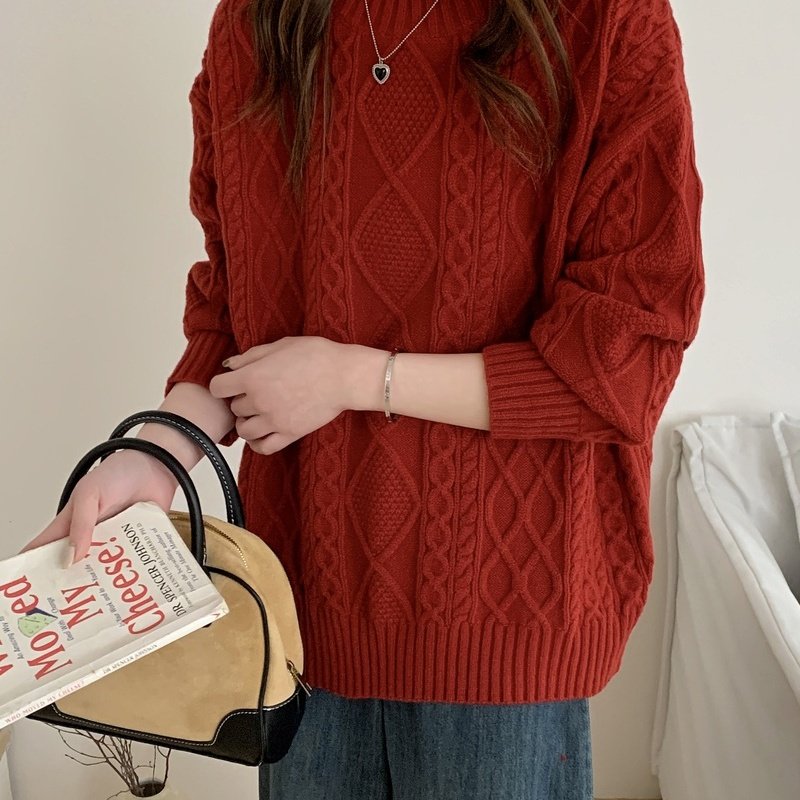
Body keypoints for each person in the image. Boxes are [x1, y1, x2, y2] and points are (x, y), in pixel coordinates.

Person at [22, 0, 705, 797]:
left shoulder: (605, 22)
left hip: (502, 639)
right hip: (301, 622)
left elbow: (625, 357)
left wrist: (357, 378)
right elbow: (236, 306)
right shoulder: (258, 22)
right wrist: (157, 453)